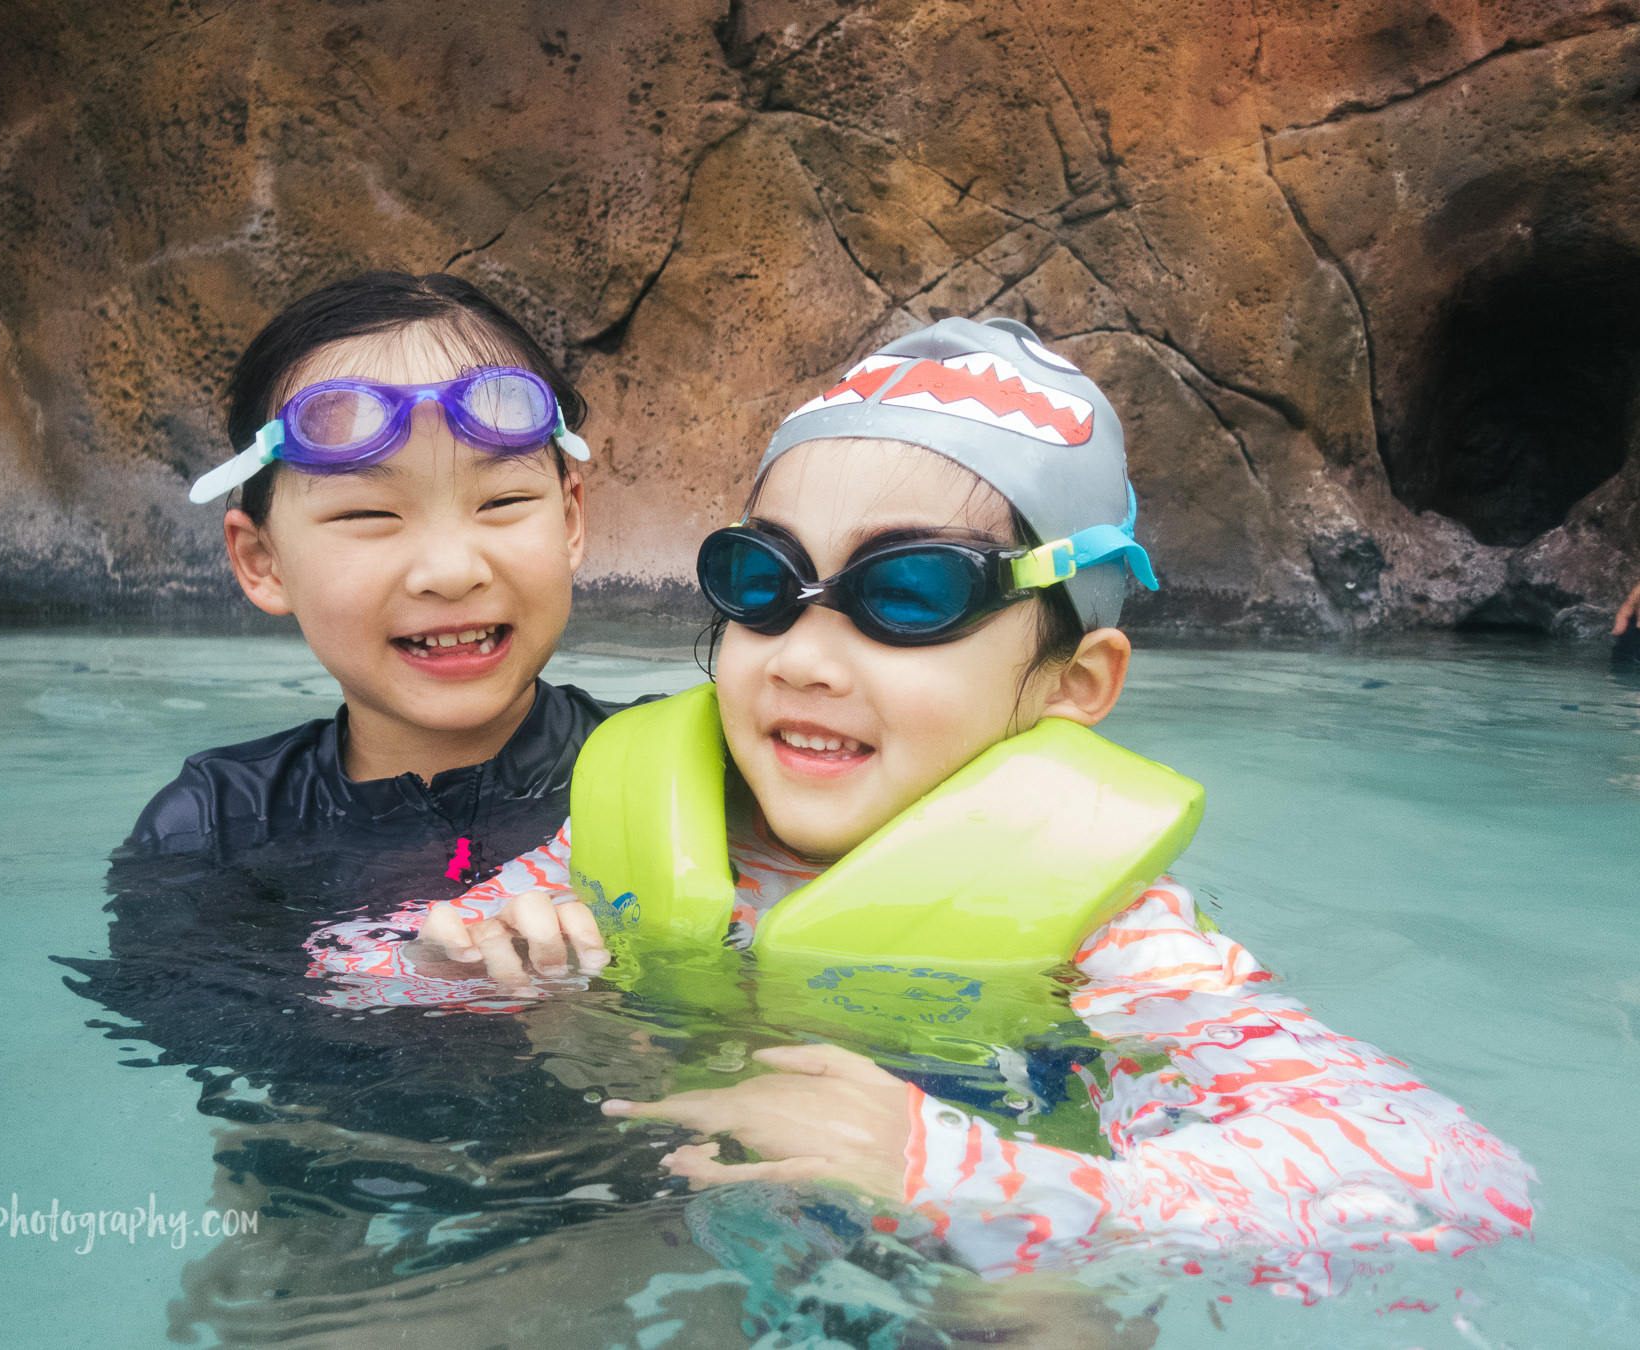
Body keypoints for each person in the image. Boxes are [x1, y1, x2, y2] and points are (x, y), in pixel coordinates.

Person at [306, 316, 1534, 1301]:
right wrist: (443, 961)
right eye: (764, 582)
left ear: (1071, 684)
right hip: (694, 1240)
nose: (802, 654)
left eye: (909, 594)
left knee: (1037, 1318)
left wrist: (957, 1171)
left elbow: (1450, 1179)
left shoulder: (1112, 935)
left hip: (964, 1270)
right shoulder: (628, 834)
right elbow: (354, 974)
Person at [128, 269, 612, 972]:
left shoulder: (682, 770)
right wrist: (407, 998)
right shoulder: (215, 827)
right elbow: (195, 1035)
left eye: (503, 501)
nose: (451, 571)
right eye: (368, 515)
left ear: (569, 519)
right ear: (264, 560)